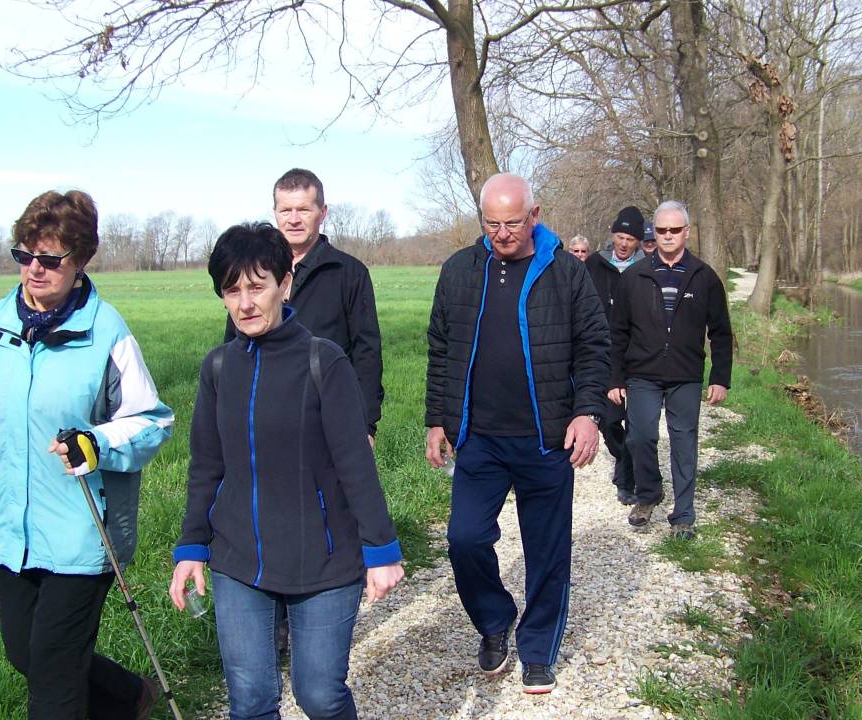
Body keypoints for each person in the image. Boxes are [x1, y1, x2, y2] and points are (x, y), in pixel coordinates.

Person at [0, 189, 174, 719]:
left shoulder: (106, 332)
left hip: (83, 530)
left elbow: (152, 421)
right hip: (8, 527)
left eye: (51, 259)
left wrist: (97, 443)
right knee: (27, 656)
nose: (34, 268)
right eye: (25, 254)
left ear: (80, 261)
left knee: (54, 677)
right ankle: (130, 697)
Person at [173, 222, 404, 720]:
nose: (245, 303)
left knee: (320, 695)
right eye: (231, 291)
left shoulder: (325, 362)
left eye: (257, 287)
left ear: (285, 284)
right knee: (251, 701)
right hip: (239, 560)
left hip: (323, 561)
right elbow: (206, 465)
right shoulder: (217, 369)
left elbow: (355, 464)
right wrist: (191, 547)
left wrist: (382, 549)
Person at [424, 173, 610, 694]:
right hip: (479, 438)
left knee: (547, 552)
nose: (502, 233)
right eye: (492, 223)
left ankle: (538, 649)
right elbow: (441, 349)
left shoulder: (566, 272)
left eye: (512, 222)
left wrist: (587, 413)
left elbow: (594, 347)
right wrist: (437, 420)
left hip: (546, 440)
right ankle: (494, 619)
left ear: (534, 215)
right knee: (464, 539)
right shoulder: (460, 270)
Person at [223, 169, 383, 443]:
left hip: (328, 415)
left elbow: (367, 352)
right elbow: (234, 344)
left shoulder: (348, 272)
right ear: (275, 213)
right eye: (286, 210)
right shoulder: (253, 272)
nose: (294, 219)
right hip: (260, 415)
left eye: (304, 210)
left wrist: (366, 424)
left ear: (323, 212)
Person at [607, 200, 733, 538]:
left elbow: (721, 332)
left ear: (686, 232)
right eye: (661, 230)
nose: (667, 236)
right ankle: (648, 494)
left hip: (685, 374)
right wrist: (615, 378)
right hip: (642, 373)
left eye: (674, 230)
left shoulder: (704, 277)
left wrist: (720, 378)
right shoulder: (634, 277)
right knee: (639, 436)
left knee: (683, 443)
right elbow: (617, 333)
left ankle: (684, 515)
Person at [583, 206, 651, 506]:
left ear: (638, 241)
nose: (624, 244)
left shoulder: (647, 267)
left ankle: (627, 480)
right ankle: (624, 458)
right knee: (609, 421)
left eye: (630, 239)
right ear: (613, 235)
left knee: (635, 424)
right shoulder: (594, 264)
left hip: (638, 355)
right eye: (620, 237)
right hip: (603, 353)